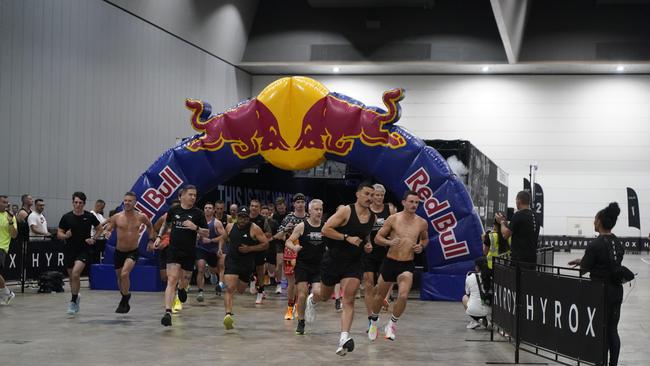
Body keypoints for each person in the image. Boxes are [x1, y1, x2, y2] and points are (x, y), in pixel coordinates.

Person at [305, 182, 375, 356]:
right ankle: (312, 300)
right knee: (325, 296)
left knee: (349, 299)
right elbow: (325, 229)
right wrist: (346, 237)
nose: (370, 198)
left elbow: (365, 233)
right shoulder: (346, 211)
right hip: (334, 260)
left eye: (372, 195)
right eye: (367, 194)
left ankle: (344, 338)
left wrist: (367, 244)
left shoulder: (372, 217)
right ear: (358, 194)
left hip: (354, 262)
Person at [368, 190, 428, 341]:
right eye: (411, 202)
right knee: (379, 296)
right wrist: (389, 242)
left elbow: (425, 239)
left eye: (416, 202)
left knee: (403, 295)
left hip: (407, 263)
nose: (414, 205)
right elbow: (377, 238)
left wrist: (421, 246)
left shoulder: (422, 222)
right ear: (403, 202)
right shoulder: (393, 219)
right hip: (390, 261)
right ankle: (374, 321)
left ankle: (392, 324)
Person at [568, 202, 624, 366]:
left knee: (600, 330)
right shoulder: (618, 243)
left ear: (599, 221)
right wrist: (586, 261)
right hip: (616, 292)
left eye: (594, 219)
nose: (593, 222)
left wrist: (584, 262)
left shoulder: (595, 245)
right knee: (613, 330)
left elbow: (584, 270)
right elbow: (609, 263)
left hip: (600, 293)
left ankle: (600, 363)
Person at [153, 185, 208, 327]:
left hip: (189, 252)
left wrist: (195, 227)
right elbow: (166, 224)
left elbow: (206, 233)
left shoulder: (198, 214)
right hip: (174, 250)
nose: (193, 197)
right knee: (171, 279)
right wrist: (159, 237)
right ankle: (167, 313)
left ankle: (182, 288)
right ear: (182, 195)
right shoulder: (173, 210)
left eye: (195, 195)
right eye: (190, 194)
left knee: (184, 280)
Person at [100, 192, 155, 313]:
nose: (127, 203)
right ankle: (125, 297)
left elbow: (150, 226)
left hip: (133, 251)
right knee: (120, 278)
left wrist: (151, 241)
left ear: (135, 202)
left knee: (125, 274)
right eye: (125, 200)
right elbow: (109, 228)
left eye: (130, 201)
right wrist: (107, 233)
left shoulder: (141, 216)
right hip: (119, 251)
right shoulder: (117, 217)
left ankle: (124, 299)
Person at [222, 206, 269, 330]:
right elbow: (224, 237)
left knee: (241, 290)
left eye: (245, 217)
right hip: (232, 262)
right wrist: (220, 250)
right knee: (229, 288)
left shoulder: (254, 228)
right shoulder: (230, 226)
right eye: (240, 217)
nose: (242, 220)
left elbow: (265, 244)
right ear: (237, 216)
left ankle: (250, 280)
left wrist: (250, 249)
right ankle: (228, 314)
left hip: (246, 264)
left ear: (249, 218)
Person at [57, 191, 103, 315]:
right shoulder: (66, 217)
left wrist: (94, 239)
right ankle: (76, 297)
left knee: (76, 274)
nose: (78, 205)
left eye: (80, 203)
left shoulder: (89, 216)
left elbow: (100, 228)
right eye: (76, 202)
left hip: (84, 250)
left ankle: (72, 301)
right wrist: (65, 236)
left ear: (84, 203)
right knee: (72, 277)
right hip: (70, 250)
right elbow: (59, 233)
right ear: (72, 203)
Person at [285, 199, 325, 335]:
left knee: (318, 293)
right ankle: (301, 321)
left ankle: (312, 303)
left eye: (320, 209)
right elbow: (288, 241)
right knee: (302, 295)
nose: (319, 212)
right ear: (310, 211)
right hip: (303, 265)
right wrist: (294, 247)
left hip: (318, 266)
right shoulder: (302, 226)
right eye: (316, 209)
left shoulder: (325, 227)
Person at [363, 184, 397, 326]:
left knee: (382, 283)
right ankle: (371, 319)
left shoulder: (389, 209)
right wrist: (367, 243)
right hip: (369, 251)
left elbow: (396, 227)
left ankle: (382, 297)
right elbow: (362, 229)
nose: (379, 197)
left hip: (385, 251)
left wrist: (392, 240)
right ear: (372, 196)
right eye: (376, 195)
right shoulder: (366, 211)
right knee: (368, 283)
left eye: (381, 195)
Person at [275, 193, 308, 319]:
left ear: (305, 204)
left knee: (303, 284)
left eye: (302, 202)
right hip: (290, 253)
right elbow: (277, 236)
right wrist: (285, 230)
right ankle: (289, 308)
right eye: (297, 202)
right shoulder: (288, 218)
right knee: (291, 283)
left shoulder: (309, 217)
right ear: (294, 204)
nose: (300, 204)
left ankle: (299, 308)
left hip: (305, 252)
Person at [495, 191, 539, 269]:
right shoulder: (535, 215)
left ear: (519, 201)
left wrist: (501, 222)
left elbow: (505, 235)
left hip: (519, 262)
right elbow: (522, 230)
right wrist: (505, 224)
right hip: (532, 261)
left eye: (516, 200)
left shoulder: (518, 215)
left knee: (517, 281)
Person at [195, 202, 225, 302]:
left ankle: (213, 275)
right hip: (201, 248)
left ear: (213, 210)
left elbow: (224, 236)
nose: (207, 209)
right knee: (200, 268)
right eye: (206, 207)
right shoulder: (198, 222)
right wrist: (196, 236)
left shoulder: (217, 223)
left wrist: (212, 241)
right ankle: (200, 291)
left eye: (210, 208)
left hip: (213, 249)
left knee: (215, 268)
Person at [249, 199, 272, 304]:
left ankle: (260, 292)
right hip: (247, 249)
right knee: (246, 268)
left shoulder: (262, 220)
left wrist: (258, 234)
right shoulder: (245, 218)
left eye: (256, 206)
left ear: (259, 208)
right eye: (252, 206)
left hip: (260, 248)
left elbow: (269, 234)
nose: (254, 208)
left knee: (260, 271)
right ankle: (252, 279)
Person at [462, 257, 492, 329]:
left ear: (477, 267)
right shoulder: (491, 277)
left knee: (464, 298)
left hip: (474, 309)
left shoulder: (469, 277)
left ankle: (476, 320)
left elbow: (467, 293)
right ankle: (487, 319)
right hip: (489, 308)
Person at [0, 195, 18, 305]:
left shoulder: (10, 217)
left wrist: (11, 221)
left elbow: (14, 235)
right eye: (3, 202)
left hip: (1, 247)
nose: (5, 204)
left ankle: (7, 293)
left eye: (7, 202)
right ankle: (6, 293)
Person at [271, 196, 289, 294]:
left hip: (289, 241)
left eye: (282, 204)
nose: (280, 206)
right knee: (279, 264)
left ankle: (289, 282)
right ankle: (279, 284)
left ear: (285, 205)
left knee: (290, 264)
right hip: (278, 242)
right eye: (278, 205)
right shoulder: (274, 216)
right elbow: (274, 231)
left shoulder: (290, 215)